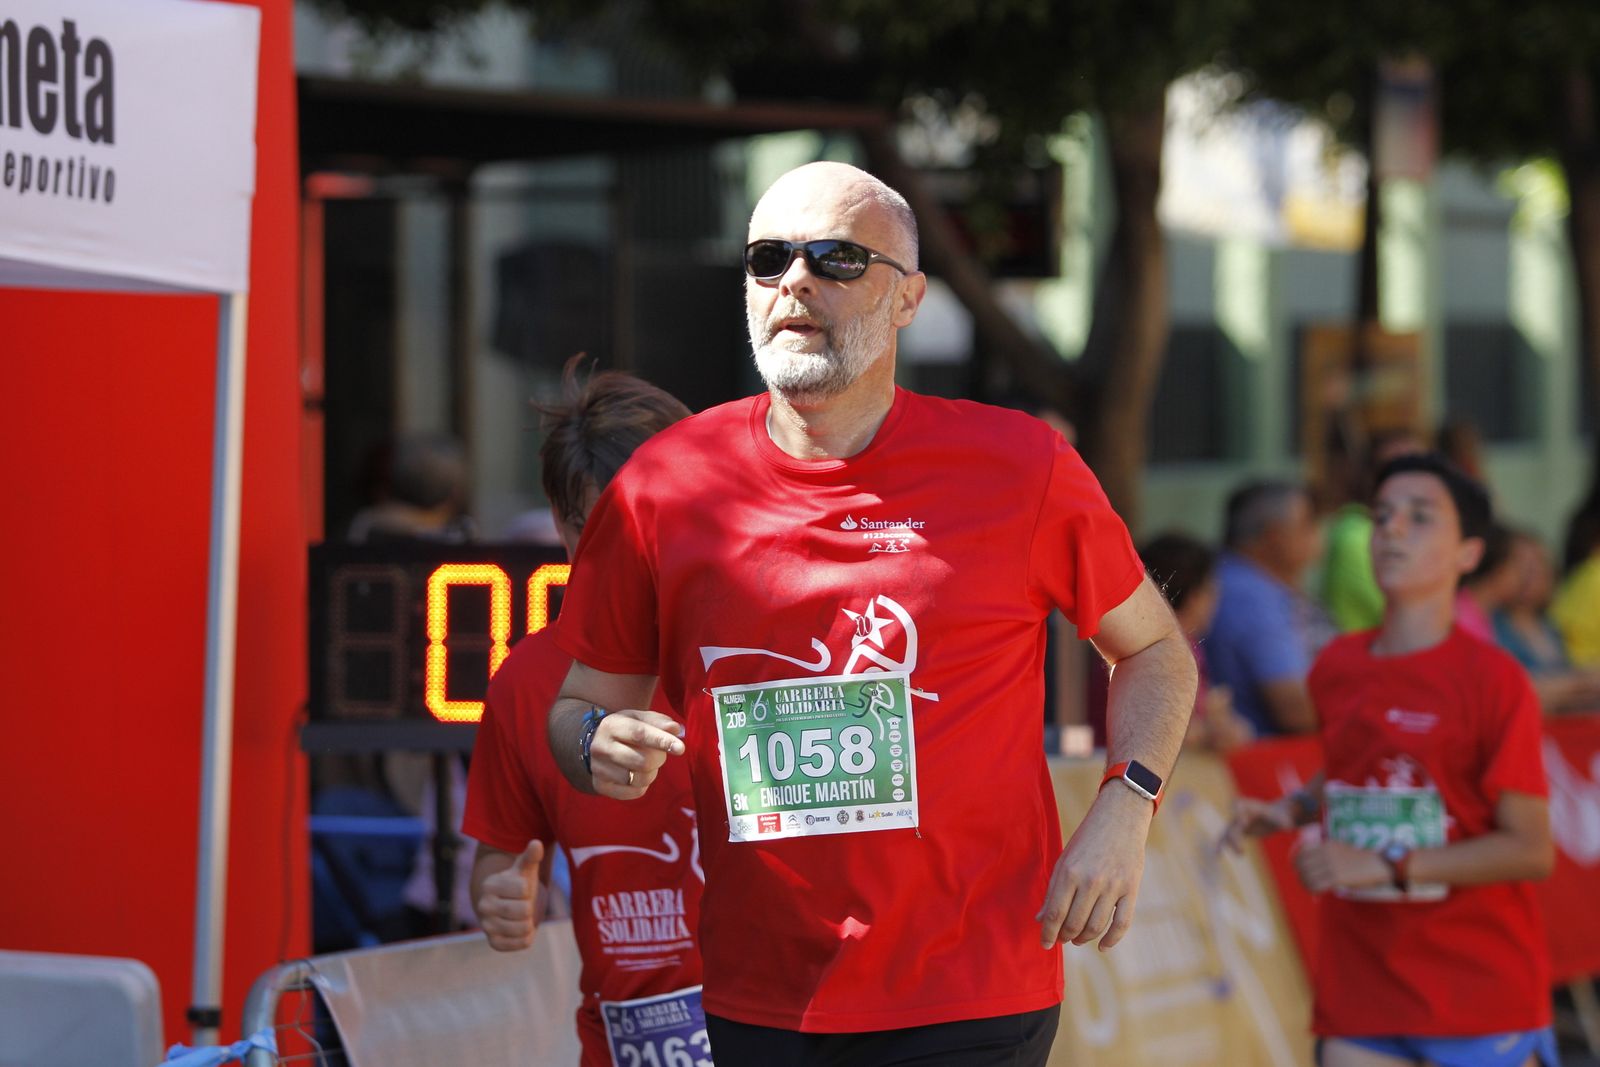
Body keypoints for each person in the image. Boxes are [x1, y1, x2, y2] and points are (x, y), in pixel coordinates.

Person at [543, 161, 1196, 1064]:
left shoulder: (1017, 465)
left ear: (908, 298)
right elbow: (579, 702)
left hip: (969, 984)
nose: (795, 280)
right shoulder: (664, 485)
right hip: (759, 990)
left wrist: (1128, 803)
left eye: (837, 258)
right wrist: (592, 742)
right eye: (768, 259)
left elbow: (1156, 649)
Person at [1226, 452, 1557, 1067]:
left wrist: (1383, 865)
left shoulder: (1496, 680)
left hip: (1478, 995)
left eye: (1420, 517)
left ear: (1469, 553)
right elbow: (1357, 765)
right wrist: (1292, 809)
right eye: (1382, 516)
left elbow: (1530, 848)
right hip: (1363, 992)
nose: (1392, 530)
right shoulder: (1337, 665)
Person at [461, 360, 702, 1067]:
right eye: (602, 537)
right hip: (623, 1044)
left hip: (794, 1033)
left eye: (656, 528)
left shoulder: (777, 646)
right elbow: (503, 857)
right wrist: (502, 896)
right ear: (564, 531)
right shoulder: (526, 683)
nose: (632, 560)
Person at [1086, 532, 1253, 752]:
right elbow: (1163, 733)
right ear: (1195, 597)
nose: (1215, 603)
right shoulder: (1153, 648)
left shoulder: (1148, 641)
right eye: (1212, 591)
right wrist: (1212, 732)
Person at [1205, 480, 1331, 736]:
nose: (1317, 534)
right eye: (1307, 524)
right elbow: (1297, 711)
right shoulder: (1248, 595)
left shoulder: (1246, 580)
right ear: (1275, 536)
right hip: (1263, 753)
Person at [1319, 429, 1426, 632]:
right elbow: (1410, 615)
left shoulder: (1406, 529)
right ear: (1369, 476)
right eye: (1395, 471)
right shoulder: (1354, 537)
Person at [1494, 529, 1600, 714]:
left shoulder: (1551, 627)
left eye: (1538, 565)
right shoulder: (1491, 625)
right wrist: (1576, 683)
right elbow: (1505, 691)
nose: (1530, 575)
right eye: (1521, 565)